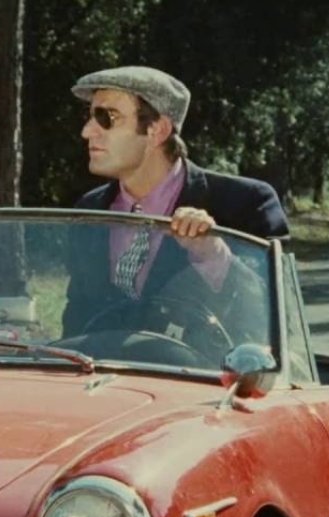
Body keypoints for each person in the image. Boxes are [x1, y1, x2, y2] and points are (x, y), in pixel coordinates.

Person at [61, 65, 290, 356]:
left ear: (158, 130)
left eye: (108, 118)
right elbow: (77, 318)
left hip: (206, 379)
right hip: (106, 380)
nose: (87, 132)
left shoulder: (245, 202)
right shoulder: (90, 210)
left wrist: (214, 255)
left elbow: (274, 315)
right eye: (90, 118)